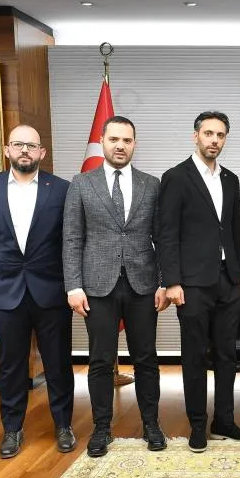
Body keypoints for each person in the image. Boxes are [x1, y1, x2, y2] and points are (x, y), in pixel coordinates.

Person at [0, 124, 76, 458]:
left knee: (58, 363)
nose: (24, 150)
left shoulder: (62, 189)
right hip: (3, 291)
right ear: (6, 150)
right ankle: (12, 429)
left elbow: (71, 243)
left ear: (42, 152)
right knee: (11, 366)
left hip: (52, 291)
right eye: (18, 144)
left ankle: (64, 425)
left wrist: (74, 286)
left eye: (31, 145)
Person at [63, 115, 169, 457]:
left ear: (134, 144)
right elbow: (72, 237)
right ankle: (101, 428)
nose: (120, 146)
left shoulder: (151, 184)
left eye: (127, 140)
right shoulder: (82, 183)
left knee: (146, 358)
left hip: (143, 285)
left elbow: (162, 238)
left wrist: (165, 282)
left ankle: (151, 424)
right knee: (100, 360)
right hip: (96, 285)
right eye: (114, 140)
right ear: (102, 142)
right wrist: (73, 286)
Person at [156, 111, 240, 453]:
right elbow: (166, 234)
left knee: (227, 355)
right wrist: (171, 281)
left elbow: (234, 229)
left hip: (229, 281)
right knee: (195, 356)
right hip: (192, 284)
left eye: (220, 135)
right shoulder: (176, 177)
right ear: (195, 136)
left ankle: (224, 421)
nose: (214, 140)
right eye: (209, 133)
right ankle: (198, 425)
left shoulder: (230, 179)